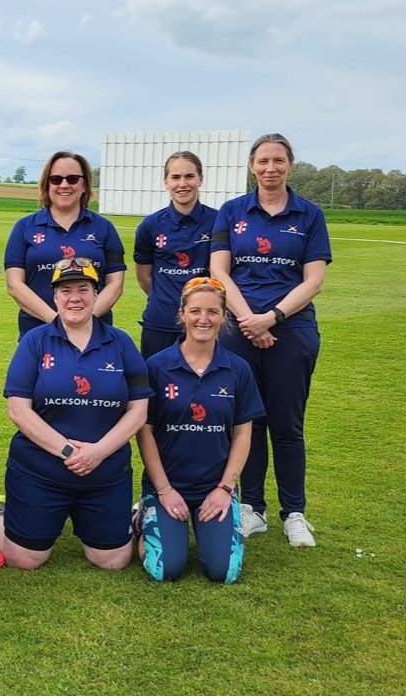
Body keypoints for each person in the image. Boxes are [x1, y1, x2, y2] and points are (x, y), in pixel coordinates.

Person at [0, 258, 152, 570]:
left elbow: (138, 410)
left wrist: (98, 452)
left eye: (83, 289)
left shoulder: (120, 342)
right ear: (55, 297)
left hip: (103, 472)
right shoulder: (35, 341)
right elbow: (18, 410)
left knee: (112, 560)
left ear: (96, 294)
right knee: (24, 560)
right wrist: (68, 451)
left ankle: (135, 516)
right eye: (65, 290)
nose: (74, 297)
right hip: (41, 470)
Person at [210, 133, 332, 547]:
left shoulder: (309, 214)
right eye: (263, 161)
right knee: (249, 421)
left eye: (278, 161)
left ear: (289, 165)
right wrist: (249, 320)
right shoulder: (231, 211)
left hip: (291, 329)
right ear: (251, 165)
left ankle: (294, 513)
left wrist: (272, 318)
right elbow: (220, 272)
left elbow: (314, 280)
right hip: (240, 328)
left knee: (286, 424)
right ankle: (253, 509)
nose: (270, 168)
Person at [135, 277, 264, 583]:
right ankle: (141, 517)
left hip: (215, 487)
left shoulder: (238, 369)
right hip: (166, 486)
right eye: (195, 311)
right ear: (182, 314)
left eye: (212, 312)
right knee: (165, 569)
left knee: (223, 573)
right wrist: (164, 490)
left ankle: (217, 520)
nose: (203, 319)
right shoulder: (157, 366)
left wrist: (224, 489)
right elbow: (144, 431)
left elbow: (243, 434)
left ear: (223, 316)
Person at [5, 151, 125, 339]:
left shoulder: (104, 228)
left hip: (95, 335)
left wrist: (84, 319)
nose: (64, 185)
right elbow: (15, 285)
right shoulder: (24, 228)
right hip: (39, 334)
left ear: (84, 184)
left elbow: (115, 283)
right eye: (56, 179)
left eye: (72, 179)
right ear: (47, 184)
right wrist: (56, 322)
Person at [133, 151, 218, 358]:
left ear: (200, 179)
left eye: (189, 176)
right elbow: (144, 277)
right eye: (175, 177)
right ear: (166, 182)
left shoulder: (218, 221)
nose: (183, 184)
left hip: (203, 322)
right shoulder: (150, 225)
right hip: (160, 322)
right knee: (157, 386)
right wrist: (166, 299)